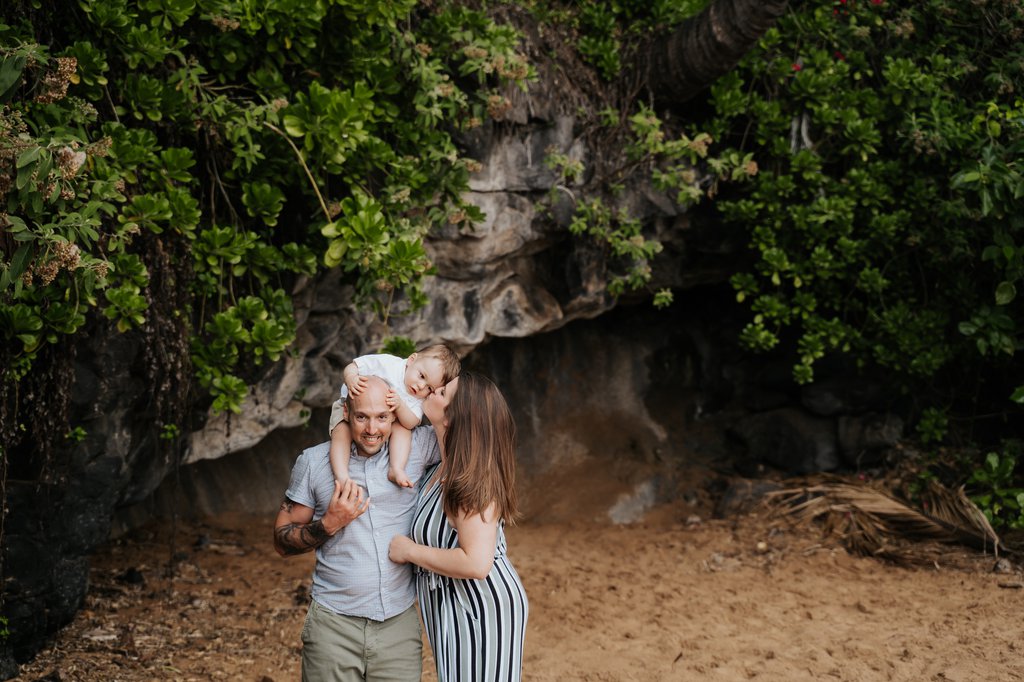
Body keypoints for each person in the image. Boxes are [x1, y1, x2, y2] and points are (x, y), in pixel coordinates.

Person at [274, 375, 440, 681]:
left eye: (382, 417)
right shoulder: (314, 462)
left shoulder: (417, 449)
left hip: (398, 625)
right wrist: (329, 524)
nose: (372, 429)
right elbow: (282, 541)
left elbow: (470, 437)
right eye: (362, 416)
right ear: (346, 413)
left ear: (395, 414)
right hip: (333, 627)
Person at [389, 371, 529, 681]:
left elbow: (477, 563)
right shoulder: (440, 466)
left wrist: (409, 551)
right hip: (451, 604)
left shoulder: (472, 478)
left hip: (479, 606)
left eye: (441, 393)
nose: (432, 390)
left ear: (453, 417)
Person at [329, 345, 460, 488]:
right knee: (341, 432)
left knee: (403, 429)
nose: (421, 386)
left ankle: (396, 468)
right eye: (421, 376)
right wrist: (351, 378)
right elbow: (354, 366)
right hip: (350, 407)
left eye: (430, 388)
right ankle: (341, 476)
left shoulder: (418, 398)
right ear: (411, 360)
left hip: (387, 419)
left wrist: (400, 406)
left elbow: (412, 422)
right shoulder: (389, 365)